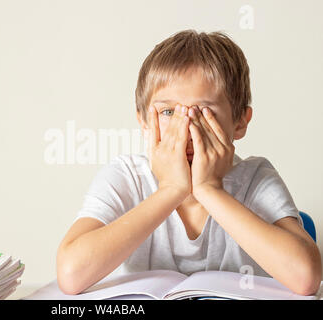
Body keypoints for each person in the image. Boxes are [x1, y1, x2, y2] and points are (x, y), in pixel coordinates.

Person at [56, 30, 322, 296]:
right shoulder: (126, 177)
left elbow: (305, 277)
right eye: (168, 112)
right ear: (144, 122)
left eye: (204, 112)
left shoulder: (256, 177)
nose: (185, 128)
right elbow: (71, 275)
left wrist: (210, 190)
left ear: (240, 121)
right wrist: (171, 190)